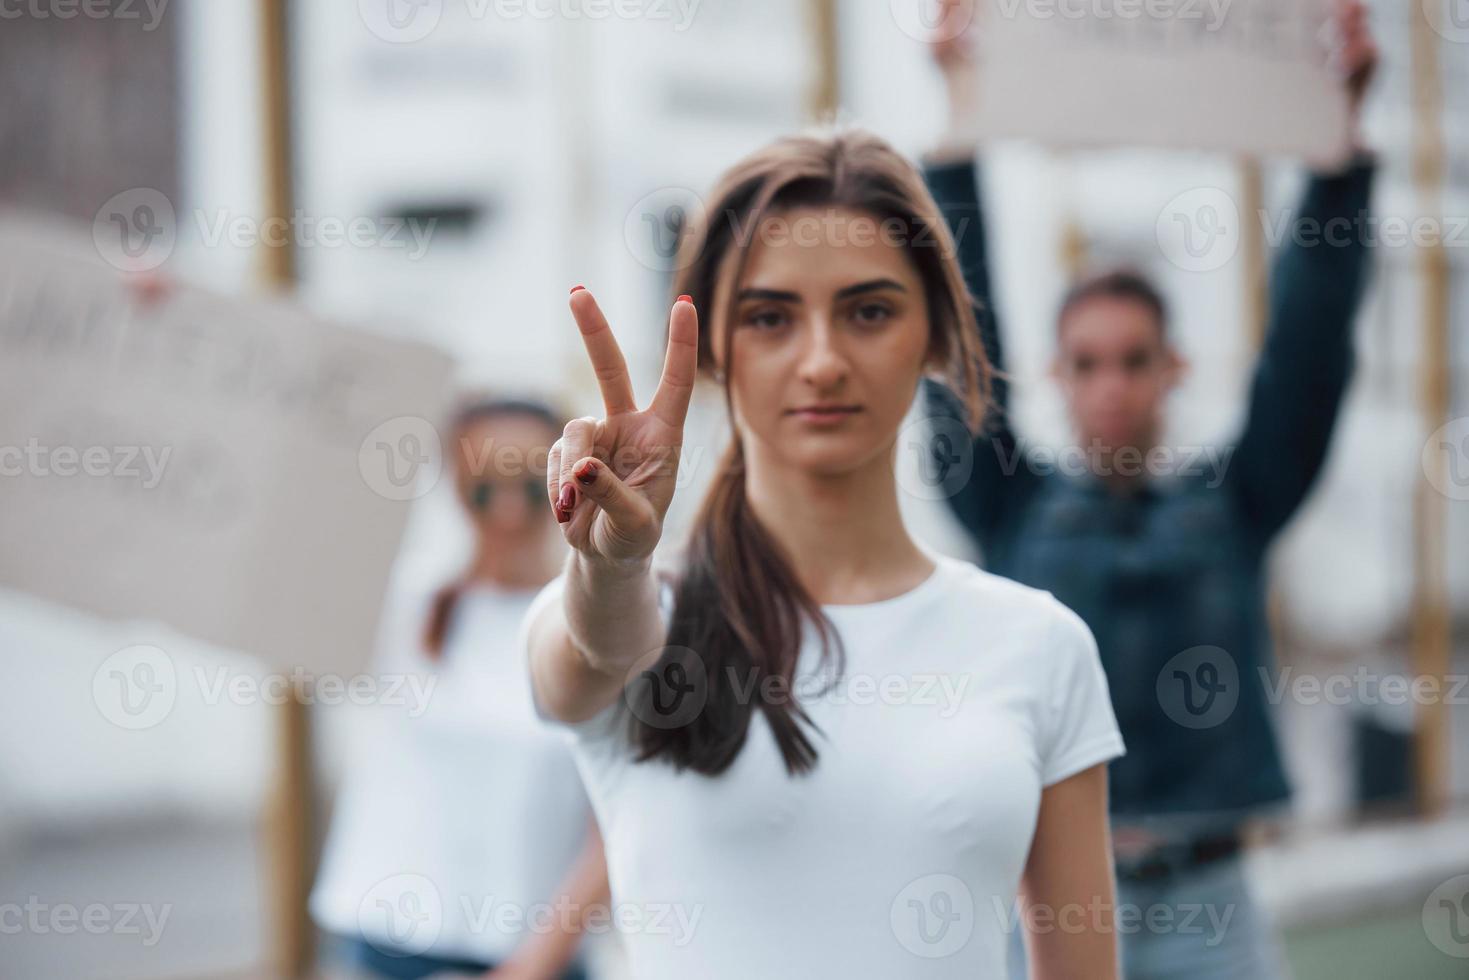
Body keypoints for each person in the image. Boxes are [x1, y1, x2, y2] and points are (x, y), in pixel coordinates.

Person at [523, 130, 1128, 979]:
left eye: (869, 311)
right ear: (714, 351)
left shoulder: (1038, 644)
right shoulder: (631, 609)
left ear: (934, 336)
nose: (821, 361)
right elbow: (595, 646)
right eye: (769, 317)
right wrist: (612, 564)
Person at [919, 2, 1380, 977]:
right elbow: (958, 344)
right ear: (1054, 374)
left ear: (1173, 368)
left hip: (1210, 906)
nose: (1111, 384)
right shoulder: (1007, 509)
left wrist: (1336, 159)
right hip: (1047, 900)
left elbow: (1305, 356)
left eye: (1134, 359)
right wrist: (956, 142)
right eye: (1085, 361)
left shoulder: (1236, 503)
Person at [311, 397, 606, 980]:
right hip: (385, 943)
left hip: (533, 958)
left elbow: (619, 818)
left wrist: (536, 963)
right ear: (452, 483)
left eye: (529, 486)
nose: (507, 512)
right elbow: (254, 572)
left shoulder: (604, 621)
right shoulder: (401, 605)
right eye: (482, 486)